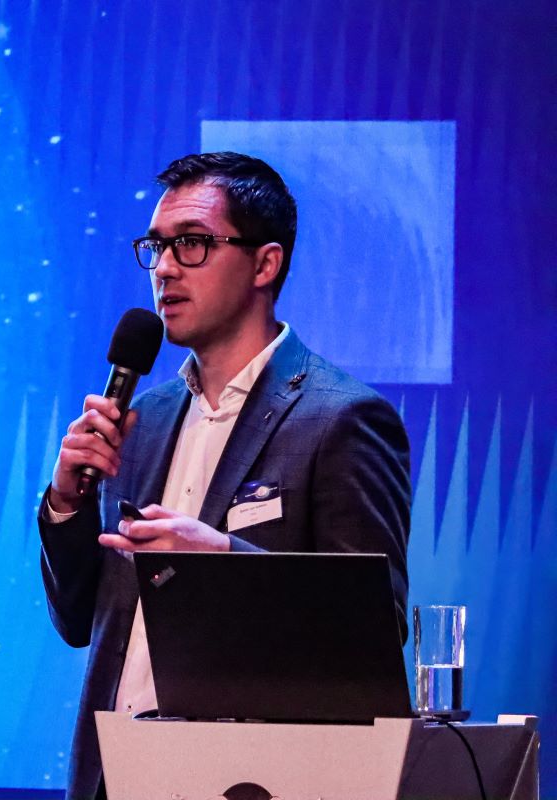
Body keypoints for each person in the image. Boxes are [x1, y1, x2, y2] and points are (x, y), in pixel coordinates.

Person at [38, 152, 411, 800]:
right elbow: (81, 623)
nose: (164, 267)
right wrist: (66, 504)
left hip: (252, 782)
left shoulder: (340, 419)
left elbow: (372, 634)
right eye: (156, 247)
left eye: (192, 243)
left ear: (265, 264)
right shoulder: (143, 419)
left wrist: (222, 565)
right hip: (115, 778)